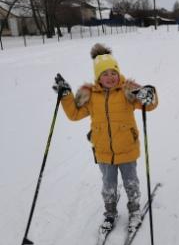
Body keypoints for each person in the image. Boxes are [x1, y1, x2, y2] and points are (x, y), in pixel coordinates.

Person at [52, 43, 158, 231]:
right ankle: (110, 213)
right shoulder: (90, 96)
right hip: (103, 151)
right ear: (98, 77)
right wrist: (66, 96)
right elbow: (74, 114)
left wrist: (148, 94)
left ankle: (134, 210)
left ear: (118, 73)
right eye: (105, 74)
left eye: (113, 72)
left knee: (131, 182)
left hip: (127, 148)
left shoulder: (128, 91)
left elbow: (149, 105)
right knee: (108, 185)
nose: (110, 77)